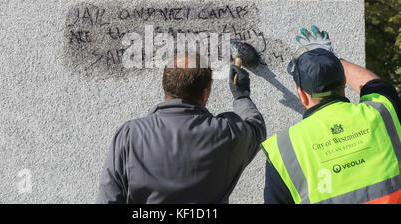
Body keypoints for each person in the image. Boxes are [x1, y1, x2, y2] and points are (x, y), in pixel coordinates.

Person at [96, 52, 266, 203]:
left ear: (165, 87)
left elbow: (109, 198)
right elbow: (256, 128)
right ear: (204, 94)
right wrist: (241, 95)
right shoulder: (226, 133)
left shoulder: (130, 135)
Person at [262, 26, 401, 204]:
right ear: (344, 81)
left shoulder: (283, 149)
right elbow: (372, 83)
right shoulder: (381, 113)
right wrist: (332, 59)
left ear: (302, 95)